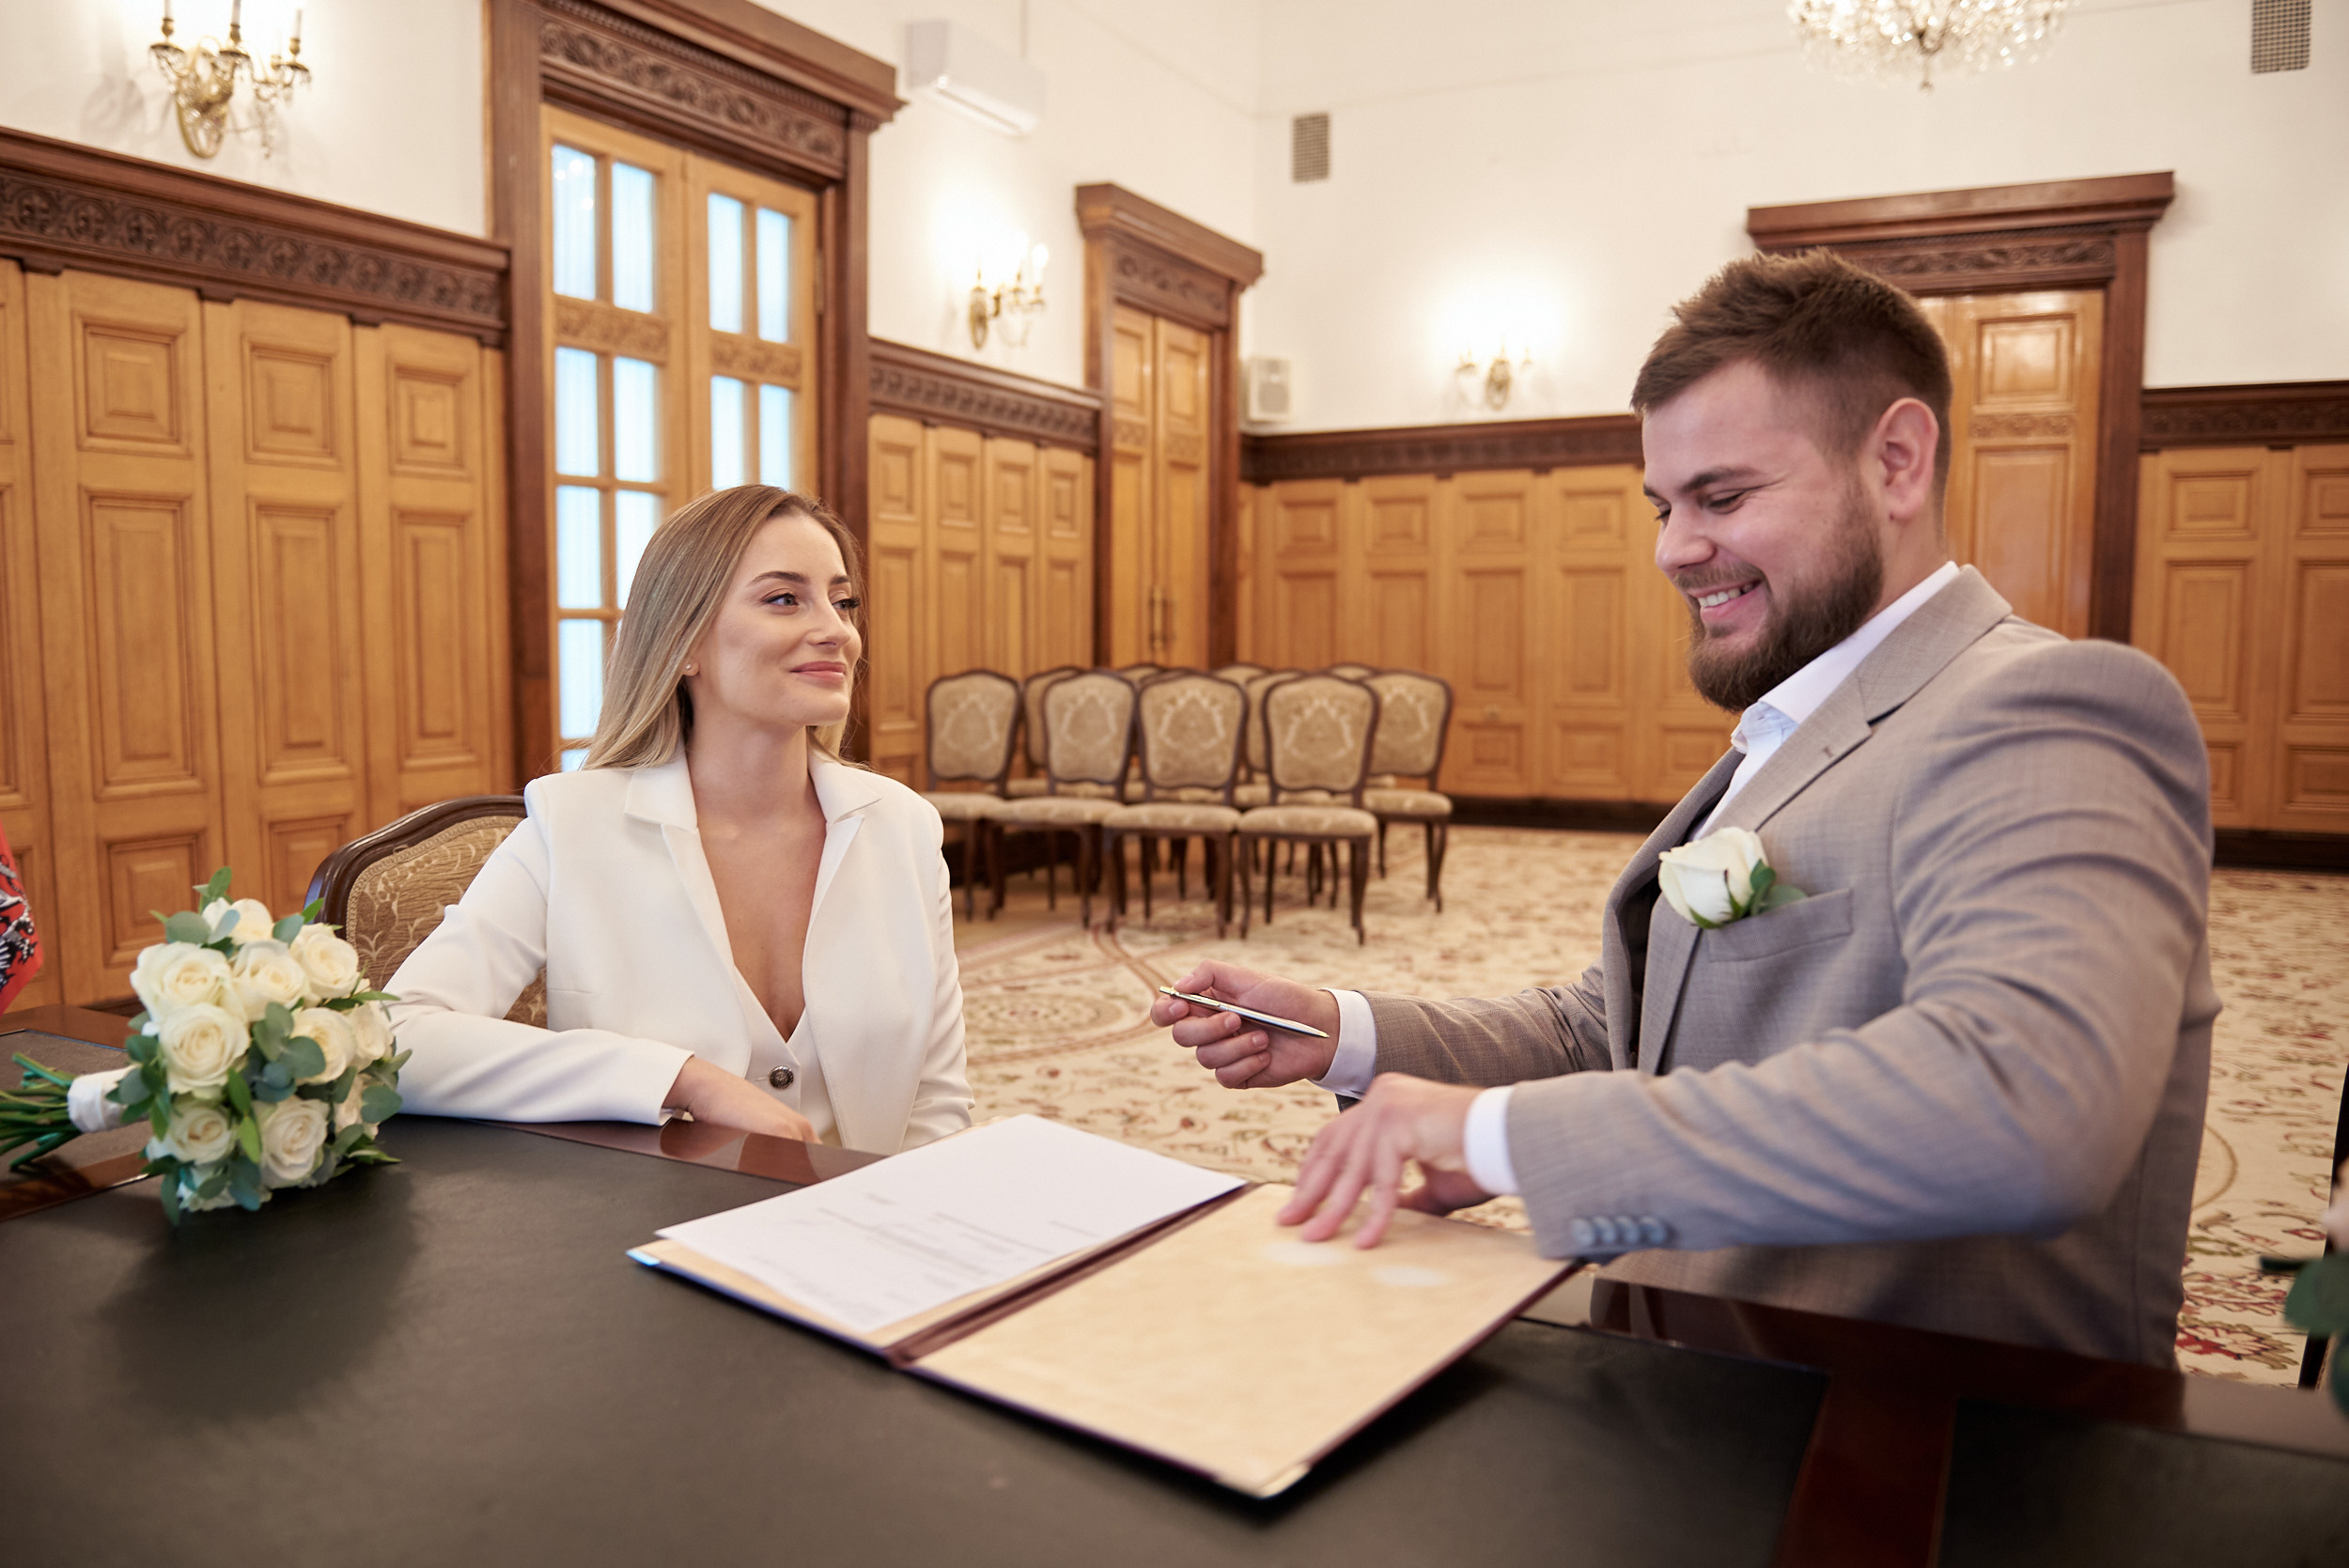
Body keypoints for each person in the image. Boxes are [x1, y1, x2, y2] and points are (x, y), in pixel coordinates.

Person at [1154, 250, 2217, 1367]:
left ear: (1897, 462)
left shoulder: (2050, 705)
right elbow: (1638, 1028)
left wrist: (1498, 1135)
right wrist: (1341, 1030)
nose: (1673, 549)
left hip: (1907, 1431)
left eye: (1724, 496)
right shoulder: (1799, 725)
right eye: (1664, 505)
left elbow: (2024, 1106)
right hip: (1693, 1363)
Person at [390, 487, 971, 1153]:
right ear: (685, 641)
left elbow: (937, 1104)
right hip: (650, 1239)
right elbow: (397, 1039)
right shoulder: (571, 826)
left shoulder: (905, 827)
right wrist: (682, 1079)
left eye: (842, 601)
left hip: (865, 1231)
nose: (837, 629)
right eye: (785, 598)